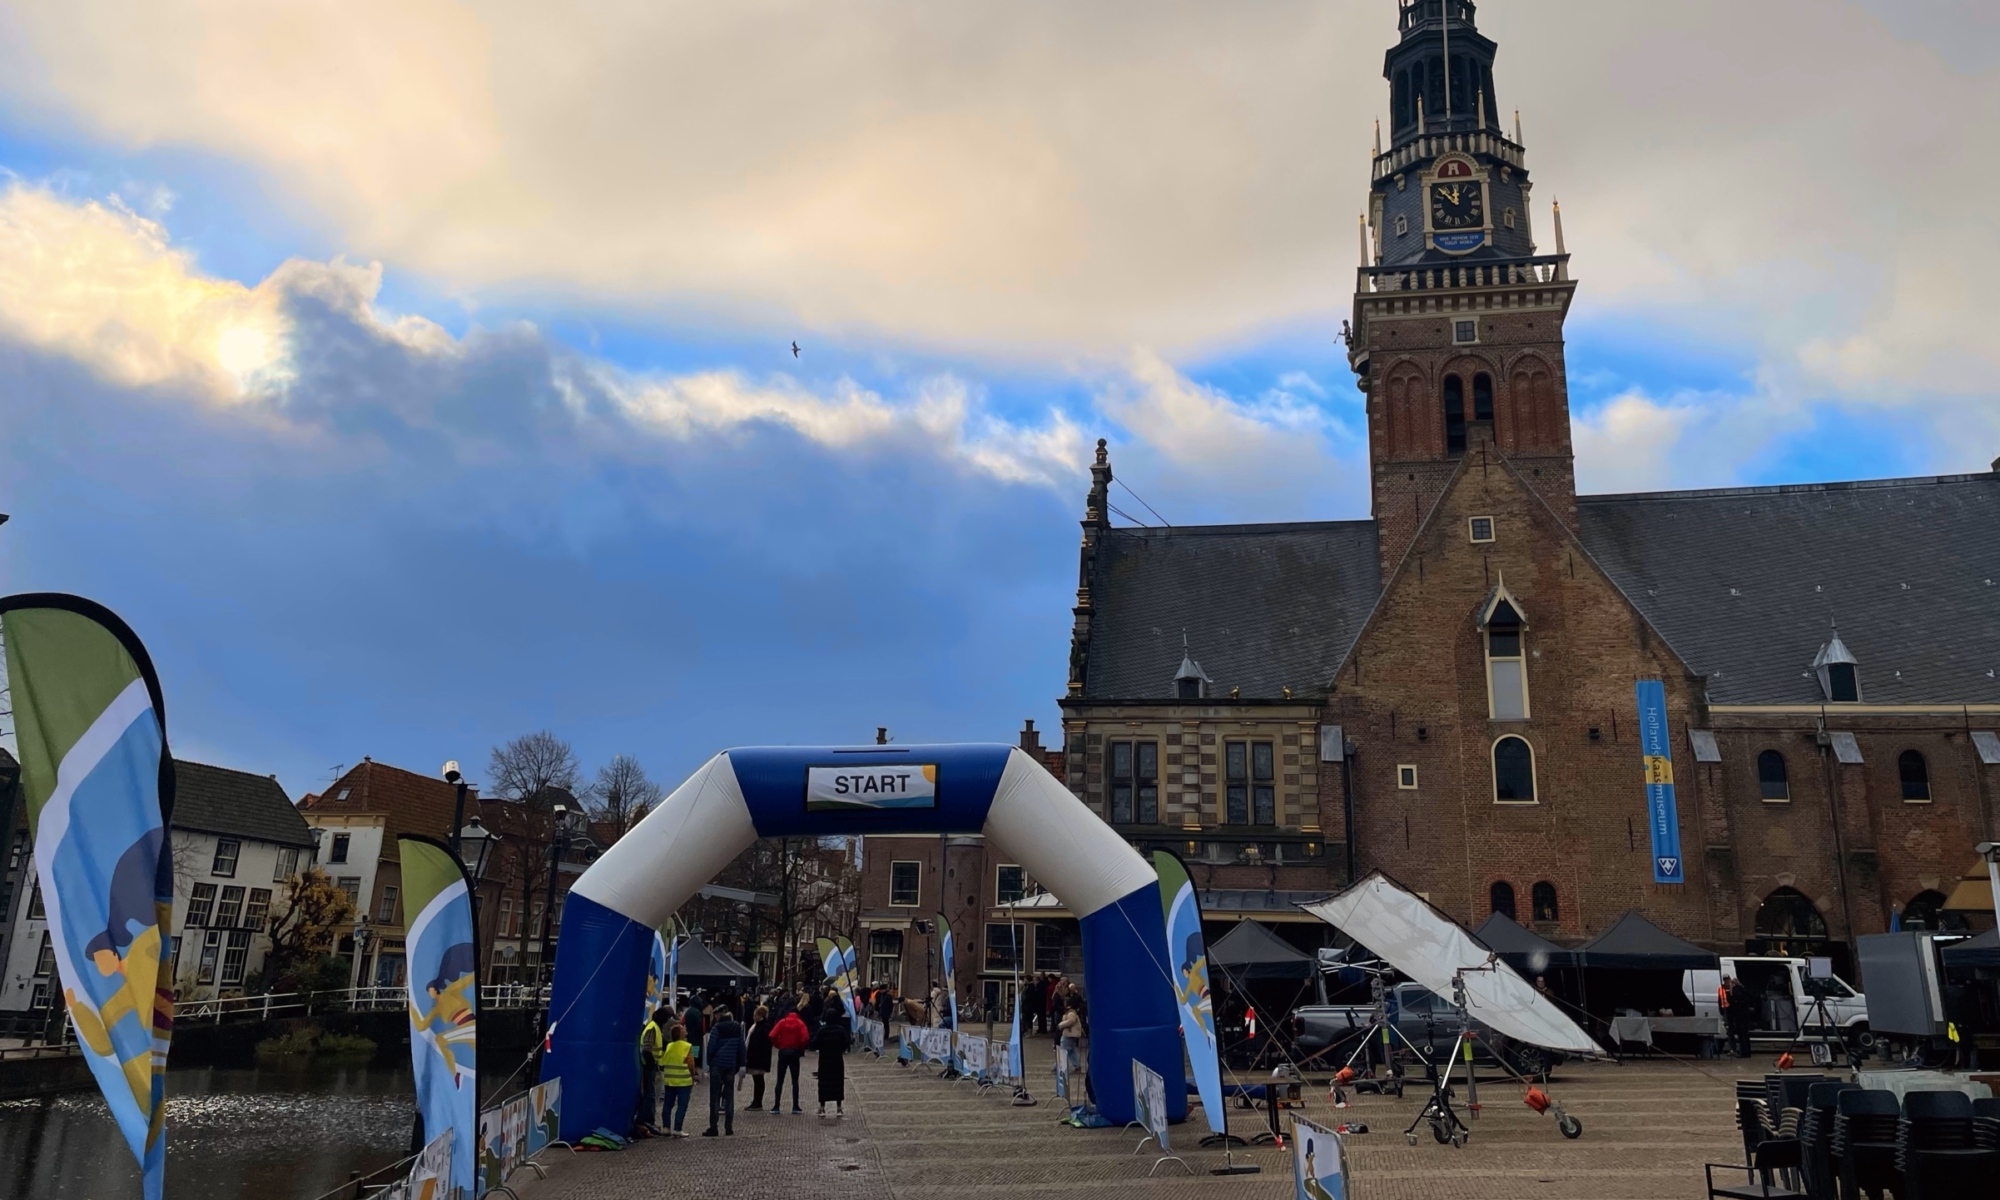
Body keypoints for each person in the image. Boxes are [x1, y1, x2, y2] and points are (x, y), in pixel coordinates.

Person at [702, 1003, 745, 1136]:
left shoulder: (717, 1028)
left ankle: (713, 1127)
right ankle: (729, 1127)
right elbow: (741, 1047)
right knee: (729, 1096)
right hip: (731, 1066)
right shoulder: (737, 1027)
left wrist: (709, 1062)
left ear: (719, 1015)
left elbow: (711, 1048)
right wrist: (741, 1064)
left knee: (714, 1097)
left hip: (717, 1065)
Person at [813, 998, 852, 1117]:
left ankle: (822, 1107)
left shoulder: (822, 1031)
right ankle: (839, 1108)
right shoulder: (840, 1030)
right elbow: (846, 1043)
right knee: (838, 1083)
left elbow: (814, 1043)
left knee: (824, 1083)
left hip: (824, 1060)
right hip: (837, 1060)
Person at [769, 1005, 810, 1114]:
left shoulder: (782, 1022)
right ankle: (795, 1106)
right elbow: (805, 1037)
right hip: (795, 1052)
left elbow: (772, 1035)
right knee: (795, 1080)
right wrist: (800, 1047)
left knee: (780, 1080)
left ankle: (776, 1106)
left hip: (783, 1052)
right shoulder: (800, 1023)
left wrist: (778, 1045)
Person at [660, 1022, 697, 1136]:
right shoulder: (686, 1046)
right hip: (683, 1080)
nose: (685, 1030)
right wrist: (693, 1075)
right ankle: (677, 1129)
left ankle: (666, 1127)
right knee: (682, 1105)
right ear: (680, 1034)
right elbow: (690, 1063)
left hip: (670, 1080)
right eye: (683, 1029)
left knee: (667, 1104)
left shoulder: (670, 1046)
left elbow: (663, 1062)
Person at [636, 1005, 667, 1134]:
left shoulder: (655, 1028)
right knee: (650, 1094)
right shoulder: (653, 1028)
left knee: (651, 1094)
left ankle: (646, 1120)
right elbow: (647, 1049)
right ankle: (648, 1121)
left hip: (651, 1066)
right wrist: (652, 1064)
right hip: (649, 1067)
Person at [744, 1005, 774, 1111]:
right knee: (757, 1080)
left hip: (759, 1057)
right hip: (756, 1056)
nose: (753, 1017)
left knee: (758, 1079)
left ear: (760, 1015)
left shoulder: (764, 1027)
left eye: (755, 1015)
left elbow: (763, 1043)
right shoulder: (760, 1026)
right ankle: (756, 1100)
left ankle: (758, 1102)